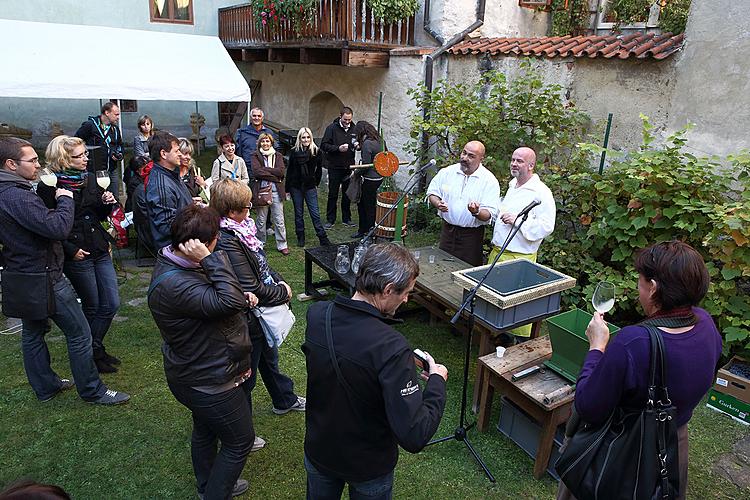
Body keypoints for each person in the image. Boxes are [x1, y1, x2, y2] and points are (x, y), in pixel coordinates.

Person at [557, 241, 722, 500]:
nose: (638, 289)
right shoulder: (706, 325)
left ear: (653, 288)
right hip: (672, 447)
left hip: (622, 452)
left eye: (640, 282)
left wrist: (597, 348)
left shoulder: (633, 342)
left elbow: (588, 405)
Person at [303, 243, 448, 499]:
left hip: (320, 449)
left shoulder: (317, 316)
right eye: (406, 293)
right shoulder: (391, 349)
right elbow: (415, 434)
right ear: (387, 290)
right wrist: (436, 382)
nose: (406, 300)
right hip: (367, 465)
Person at [0, 137, 129, 405]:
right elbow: (57, 228)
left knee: (34, 332)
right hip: (43, 274)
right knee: (80, 332)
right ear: (11, 164)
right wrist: (65, 200)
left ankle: (46, 386)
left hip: (22, 272)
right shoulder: (17, 195)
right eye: (32, 160)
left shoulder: (13, 191)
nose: (38, 165)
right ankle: (93, 390)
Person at [148, 204, 256, 500]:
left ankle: (206, 486)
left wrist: (218, 276)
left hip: (195, 372)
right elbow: (230, 301)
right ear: (202, 245)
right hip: (208, 381)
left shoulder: (177, 264)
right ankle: (215, 493)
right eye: (215, 239)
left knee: (206, 430)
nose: (218, 242)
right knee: (239, 442)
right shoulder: (176, 284)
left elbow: (225, 298)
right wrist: (211, 260)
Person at [211, 179, 306, 427]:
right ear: (232, 211)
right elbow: (252, 287)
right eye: (246, 206)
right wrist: (283, 293)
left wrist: (280, 280)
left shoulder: (243, 231)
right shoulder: (227, 239)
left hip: (257, 314)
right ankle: (241, 432)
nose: (251, 208)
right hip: (246, 317)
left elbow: (261, 264)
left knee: (268, 358)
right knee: (246, 376)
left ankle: (283, 400)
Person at [37, 136, 122, 374]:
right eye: (80, 155)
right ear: (64, 158)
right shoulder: (50, 185)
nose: (86, 158)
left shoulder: (91, 177)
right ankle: (92, 354)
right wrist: (70, 250)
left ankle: (94, 348)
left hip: (98, 246)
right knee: (92, 305)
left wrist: (107, 203)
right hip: (77, 252)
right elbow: (48, 224)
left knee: (112, 303)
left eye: (85, 154)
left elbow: (98, 214)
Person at [489, 146, 556, 339]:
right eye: (513, 160)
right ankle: (495, 334)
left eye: (519, 161)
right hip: (499, 251)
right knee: (495, 298)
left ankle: (516, 341)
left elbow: (546, 226)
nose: (514, 164)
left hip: (519, 257)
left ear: (531, 165)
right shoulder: (512, 185)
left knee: (515, 304)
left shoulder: (541, 192)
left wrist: (517, 221)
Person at [426, 140, 500, 266]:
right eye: (464, 153)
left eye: (471, 156)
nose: (465, 158)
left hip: (471, 237)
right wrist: (438, 203)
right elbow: (432, 193)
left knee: (467, 271)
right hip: (447, 231)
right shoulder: (448, 172)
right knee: (441, 267)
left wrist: (476, 212)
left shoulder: (489, 180)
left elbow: (489, 214)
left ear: (481, 159)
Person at [145, 131, 192, 251]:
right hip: (176, 250)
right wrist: (199, 222)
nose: (180, 154)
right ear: (163, 154)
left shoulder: (171, 175)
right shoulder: (161, 185)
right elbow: (167, 226)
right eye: (176, 151)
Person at [285, 127, 332, 247]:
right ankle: (300, 237)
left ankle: (322, 237)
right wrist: (287, 190)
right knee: (298, 213)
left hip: (310, 186)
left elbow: (319, 171)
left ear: (311, 138)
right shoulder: (294, 152)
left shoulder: (316, 152)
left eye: (307, 137)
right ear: (299, 139)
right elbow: (289, 171)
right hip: (296, 186)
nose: (305, 139)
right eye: (303, 137)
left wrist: (315, 183)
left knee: (315, 213)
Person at [74, 102, 124, 197]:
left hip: (111, 169)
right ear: (107, 113)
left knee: (115, 197)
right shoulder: (90, 125)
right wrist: (85, 153)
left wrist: (119, 154)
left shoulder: (115, 129)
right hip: (94, 170)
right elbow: (76, 141)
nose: (118, 117)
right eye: (116, 114)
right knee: (97, 197)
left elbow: (120, 145)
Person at [251, 133, 289, 255]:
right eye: (263, 141)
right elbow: (256, 172)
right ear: (259, 143)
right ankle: (260, 242)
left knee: (279, 219)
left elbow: (281, 171)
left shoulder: (278, 155)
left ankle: (282, 244)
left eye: (267, 141)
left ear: (271, 143)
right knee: (261, 220)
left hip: (276, 191)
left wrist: (266, 170)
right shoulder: (255, 155)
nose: (265, 144)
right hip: (262, 192)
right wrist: (275, 176)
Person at [320, 106, 357, 229]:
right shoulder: (331, 128)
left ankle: (347, 219)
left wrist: (357, 146)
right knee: (333, 194)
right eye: (345, 119)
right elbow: (324, 145)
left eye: (349, 119)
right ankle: (330, 219)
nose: (347, 122)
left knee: (347, 194)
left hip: (349, 166)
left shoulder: (354, 128)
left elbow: (357, 142)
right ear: (340, 116)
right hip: (334, 166)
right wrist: (338, 148)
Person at [351, 121, 385, 239]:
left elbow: (365, 164)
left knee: (365, 205)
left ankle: (366, 230)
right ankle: (370, 229)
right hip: (379, 177)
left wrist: (356, 173)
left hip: (369, 178)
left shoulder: (367, 143)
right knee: (371, 204)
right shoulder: (380, 140)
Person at [236, 107, 274, 175]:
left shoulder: (269, 132)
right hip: (248, 168)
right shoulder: (243, 132)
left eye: (259, 116)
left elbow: (274, 149)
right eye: (254, 116)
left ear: (262, 118)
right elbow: (239, 151)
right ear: (250, 117)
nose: (256, 118)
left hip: (265, 168)